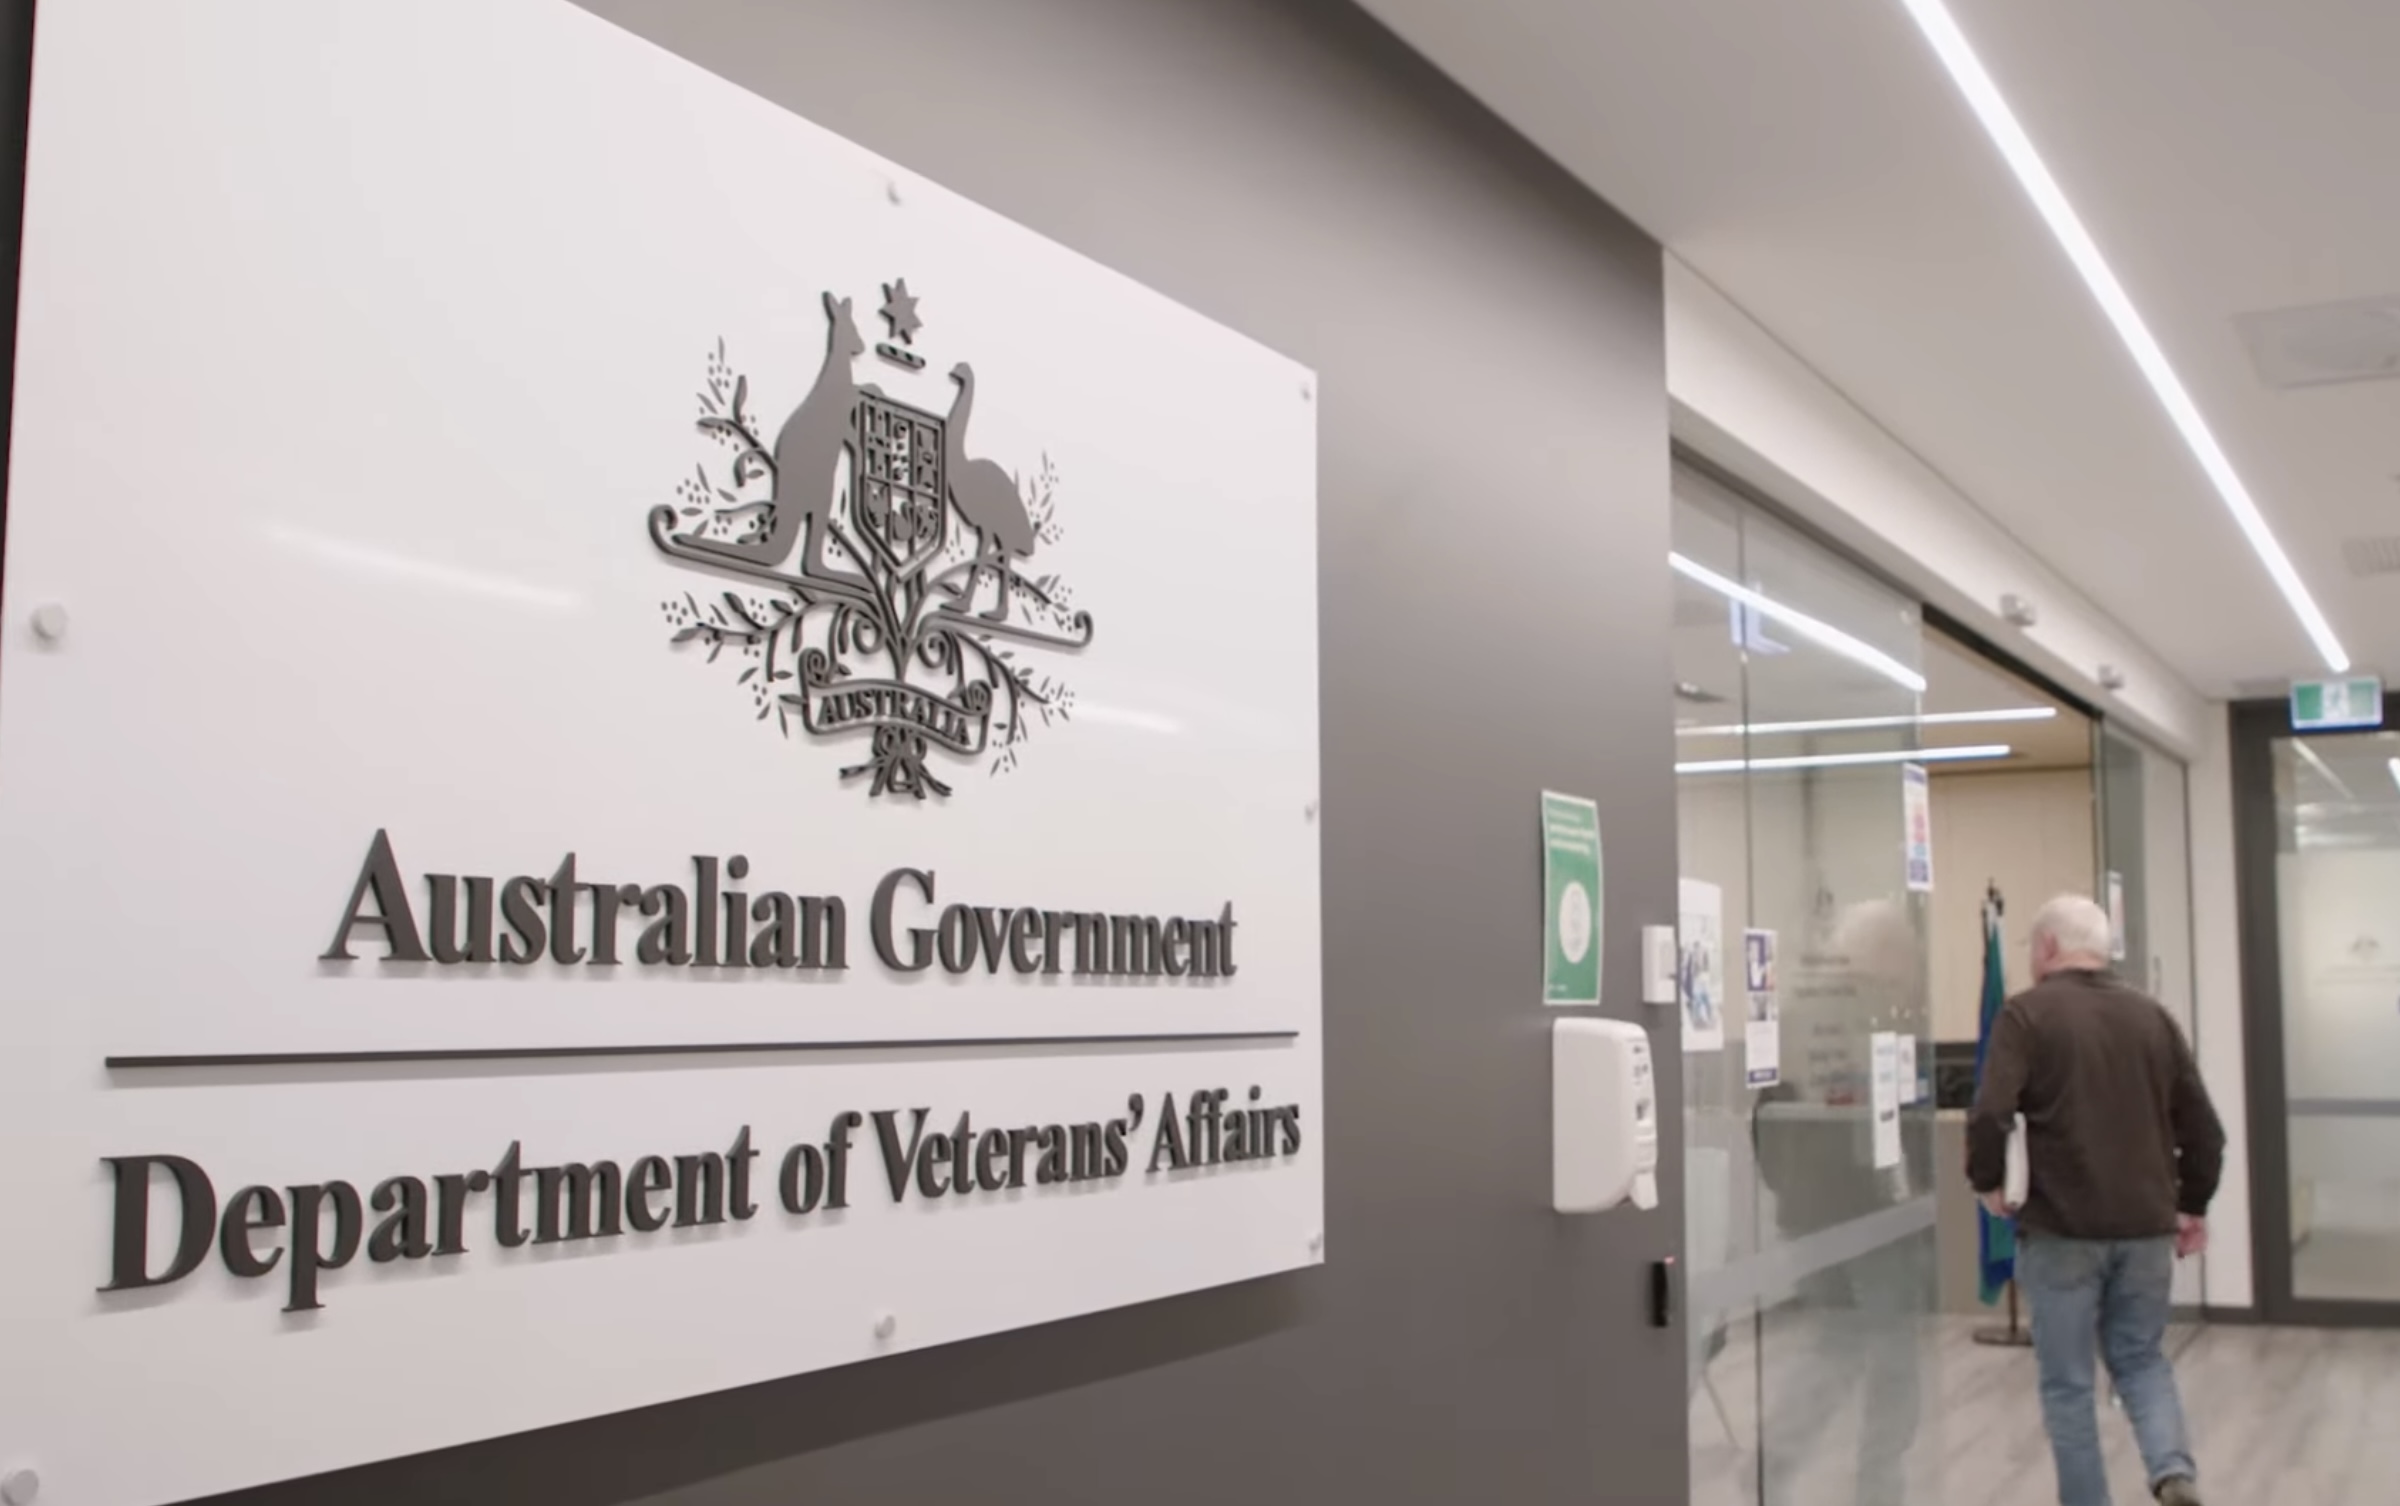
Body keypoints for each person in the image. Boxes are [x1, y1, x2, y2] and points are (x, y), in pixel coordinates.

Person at [1969, 894, 2225, 1506]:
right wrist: (2193, 1204)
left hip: (2061, 1233)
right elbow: (2204, 1128)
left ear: (2050, 947)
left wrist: (1987, 1183)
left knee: (2068, 1388)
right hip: (2145, 1229)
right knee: (2141, 1361)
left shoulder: (2026, 1016)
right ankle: (2172, 1474)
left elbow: (1989, 1114)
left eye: (2033, 948)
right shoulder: (2151, 1017)